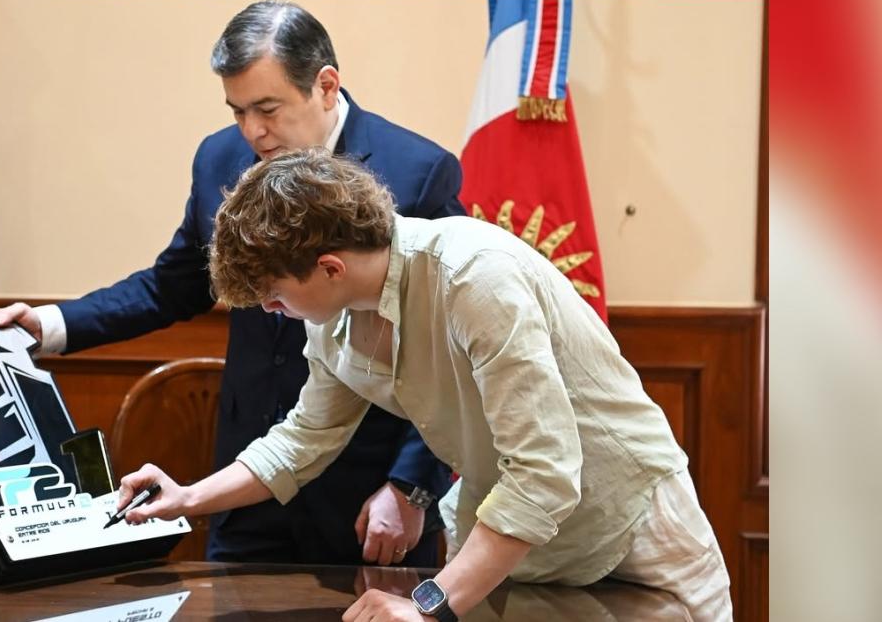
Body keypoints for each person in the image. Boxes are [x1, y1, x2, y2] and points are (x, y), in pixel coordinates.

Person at [114, 148, 733, 621]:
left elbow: (544, 473)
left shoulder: (474, 278)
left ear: (330, 267)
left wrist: (429, 604)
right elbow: (303, 440)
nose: (272, 312)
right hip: (511, 545)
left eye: (275, 297)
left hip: (629, 526)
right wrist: (187, 498)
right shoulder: (332, 322)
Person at [0, 0, 464, 567]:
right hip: (247, 477)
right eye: (238, 110)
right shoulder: (220, 159)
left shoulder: (416, 171)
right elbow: (173, 286)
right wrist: (50, 325)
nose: (252, 132)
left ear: (325, 86)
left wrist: (411, 487)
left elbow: (449, 350)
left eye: (267, 109)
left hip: (369, 491)